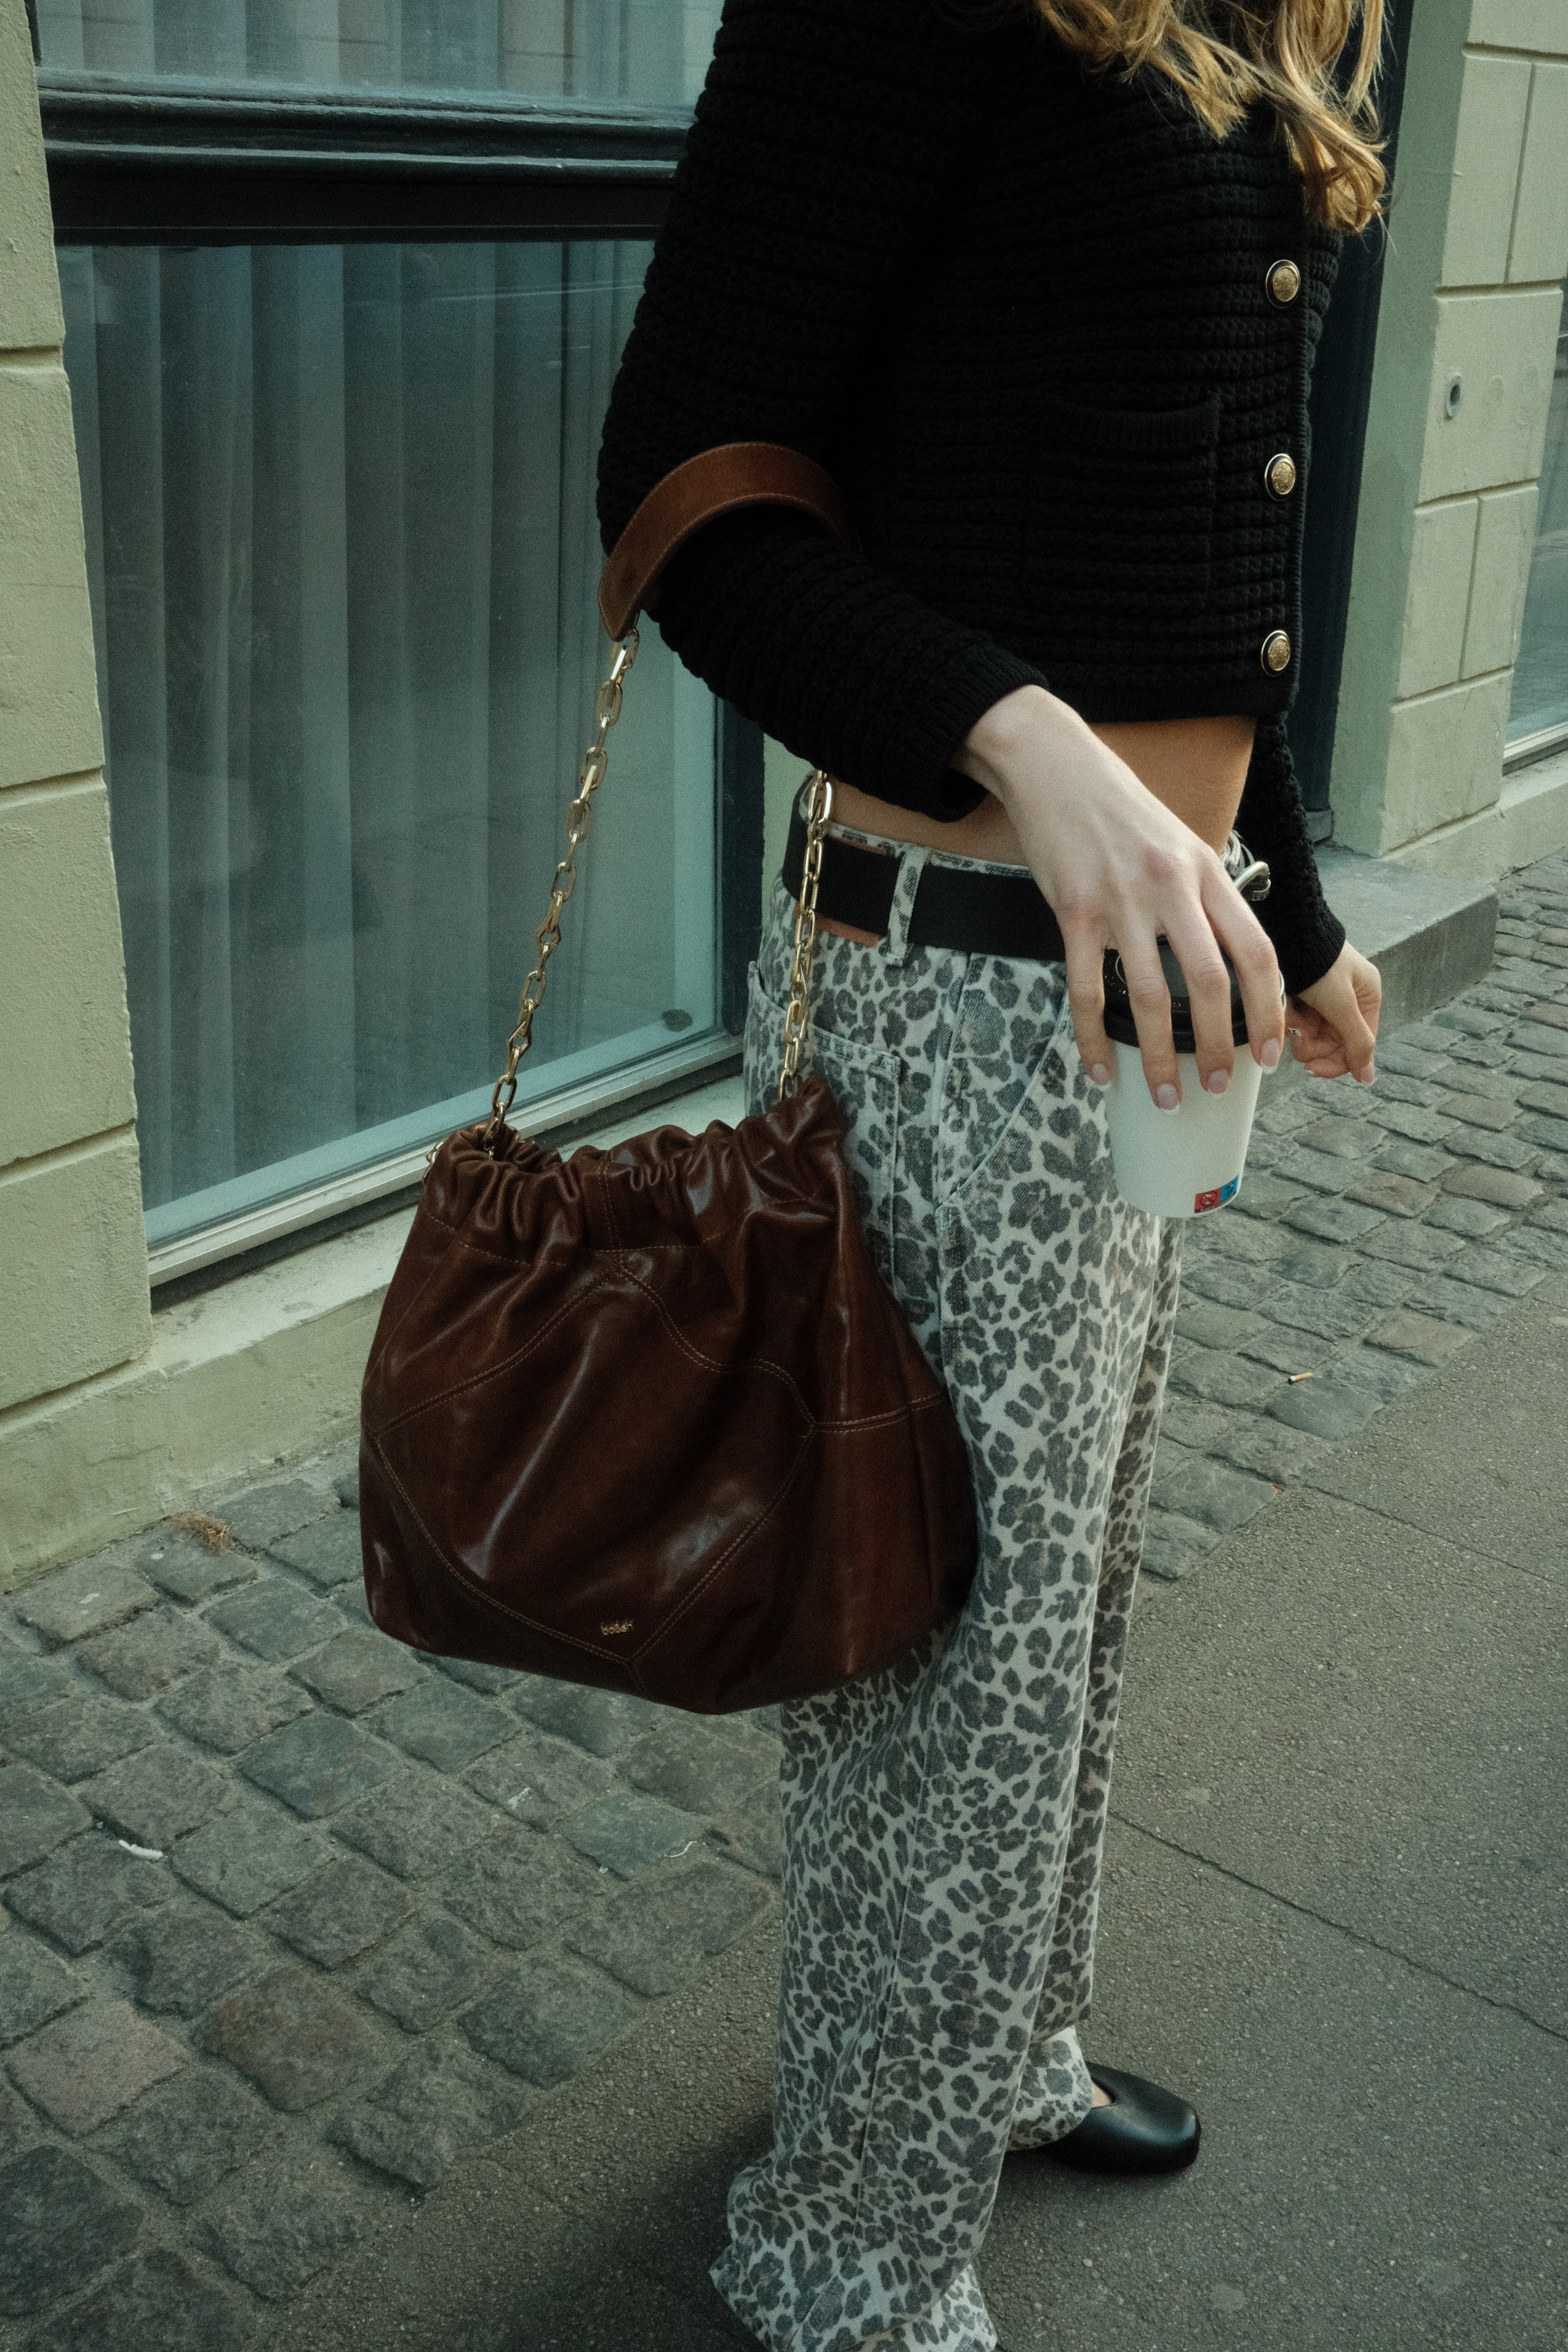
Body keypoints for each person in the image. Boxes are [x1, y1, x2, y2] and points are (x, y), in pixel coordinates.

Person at [597, 3, 1385, 2346]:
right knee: (938, 1640)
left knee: (1072, 1587)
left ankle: (1001, 2051)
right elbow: (687, 495)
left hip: (1158, 984)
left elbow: (1201, 509)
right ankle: (846, 2249)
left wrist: (1293, 902)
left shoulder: (1277, 10)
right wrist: (1018, 743)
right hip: (949, 972)